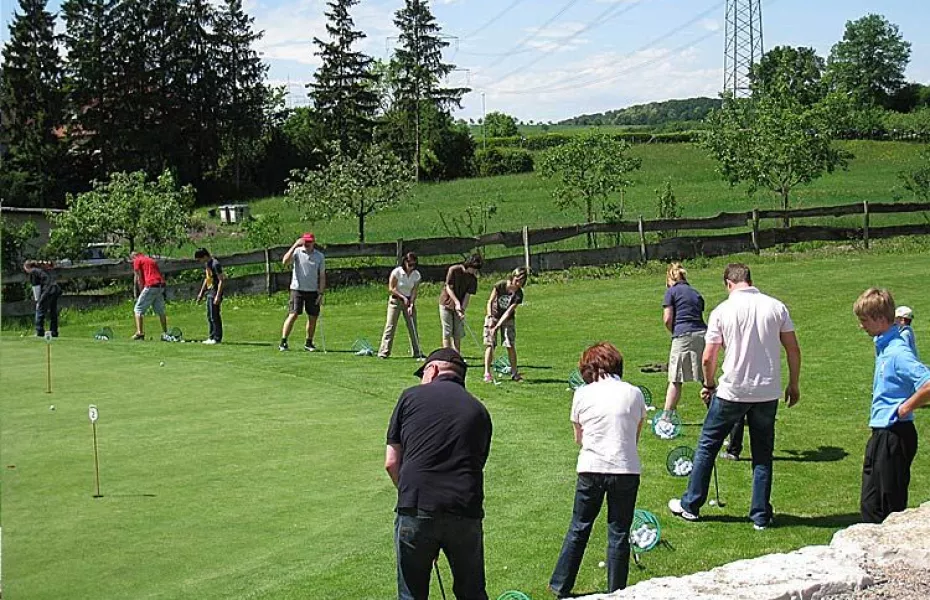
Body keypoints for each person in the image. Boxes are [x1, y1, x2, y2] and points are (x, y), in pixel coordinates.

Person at [668, 263, 801, 530]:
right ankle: (760, 515)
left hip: (733, 390)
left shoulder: (723, 310)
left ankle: (691, 505)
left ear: (729, 283)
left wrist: (708, 383)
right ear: (749, 280)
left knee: (708, 445)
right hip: (767, 391)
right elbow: (793, 349)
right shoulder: (776, 307)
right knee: (763, 454)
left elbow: (709, 356)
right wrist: (793, 384)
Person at [385, 348, 492, 600]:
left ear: (431, 370)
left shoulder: (410, 397)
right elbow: (478, 463)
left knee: (411, 594)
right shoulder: (479, 411)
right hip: (464, 509)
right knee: (472, 593)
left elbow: (391, 462)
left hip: (417, 506)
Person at [549, 342, 646, 597]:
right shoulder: (635, 393)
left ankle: (561, 585)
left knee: (579, 526)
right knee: (619, 531)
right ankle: (617, 591)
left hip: (591, 467)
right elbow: (634, 435)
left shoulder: (582, 394)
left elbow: (578, 438)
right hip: (625, 468)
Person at [853, 289, 930, 523]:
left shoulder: (897, 352)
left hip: (895, 435)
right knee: (870, 504)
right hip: (880, 433)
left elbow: (927, 383)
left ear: (880, 319)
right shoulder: (884, 347)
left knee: (890, 506)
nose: (861, 326)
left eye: (864, 320)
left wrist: (906, 407)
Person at [660, 262, 706, 416]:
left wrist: (674, 331)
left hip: (682, 335)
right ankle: (719, 413)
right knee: (707, 378)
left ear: (669, 279)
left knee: (675, 378)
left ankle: (667, 416)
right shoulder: (695, 293)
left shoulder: (671, 292)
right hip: (702, 334)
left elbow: (667, 318)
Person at [279, 233, 326, 352]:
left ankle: (309, 342)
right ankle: (283, 341)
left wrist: (321, 293)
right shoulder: (297, 252)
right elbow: (285, 261)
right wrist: (294, 245)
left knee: (313, 317)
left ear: (313, 242)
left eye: (309, 242)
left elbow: (322, 276)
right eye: (305, 241)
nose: (306, 244)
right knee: (293, 314)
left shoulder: (319, 256)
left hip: (312, 290)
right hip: (297, 289)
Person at [482, 267, 528, 383]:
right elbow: (490, 301)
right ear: (513, 277)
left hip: (507, 319)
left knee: (510, 344)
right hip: (493, 315)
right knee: (490, 344)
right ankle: (487, 373)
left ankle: (514, 373)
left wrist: (497, 326)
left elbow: (508, 312)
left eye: (521, 282)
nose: (518, 284)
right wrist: (490, 317)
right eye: (517, 280)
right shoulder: (500, 285)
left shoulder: (519, 294)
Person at [378, 252, 425, 360]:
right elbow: (392, 288)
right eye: (410, 264)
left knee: (413, 326)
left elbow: (414, 290)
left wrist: (411, 303)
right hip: (396, 301)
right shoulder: (397, 272)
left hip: (408, 302)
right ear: (405, 262)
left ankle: (417, 352)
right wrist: (403, 297)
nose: (411, 267)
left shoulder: (416, 275)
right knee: (390, 326)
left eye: (413, 264)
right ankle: (384, 352)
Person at [438, 254, 482, 353]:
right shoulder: (454, 270)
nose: (475, 271)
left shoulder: (473, 279)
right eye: (474, 268)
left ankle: (457, 355)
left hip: (459, 306)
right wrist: (457, 302)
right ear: (469, 265)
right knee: (447, 331)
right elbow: (448, 287)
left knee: (457, 332)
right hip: (446, 303)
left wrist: (462, 309)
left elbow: (467, 295)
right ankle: (447, 355)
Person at [131, 252, 170, 341]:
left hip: (151, 285)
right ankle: (165, 333)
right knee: (161, 311)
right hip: (160, 285)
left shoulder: (137, 260)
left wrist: (141, 291)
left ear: (133, 257)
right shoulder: (150, 260)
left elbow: (139, 278)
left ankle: (139, 333)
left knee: (138, 309)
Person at [23, 260, 62, 338]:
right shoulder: (41, 270)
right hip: (56, 288)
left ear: (27, 267)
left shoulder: (32, 272)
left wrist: (38, 302)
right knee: (53, 311)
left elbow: (36, 287)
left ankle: (39, 331)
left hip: (48, 289)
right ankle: (54, 331)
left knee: (40, 310)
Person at [195, 248, 225, 345]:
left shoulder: (215, 264)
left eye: (200, 259)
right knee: (209, 316)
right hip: (209, 291)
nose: (199, 261)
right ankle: (211, 336)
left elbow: (221, 280)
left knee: (214, 316)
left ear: (204, 256)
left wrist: (218, 296)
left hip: (215, 292)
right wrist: (201, 293)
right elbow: (207, 278)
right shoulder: (207, 264)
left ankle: (217, 338)